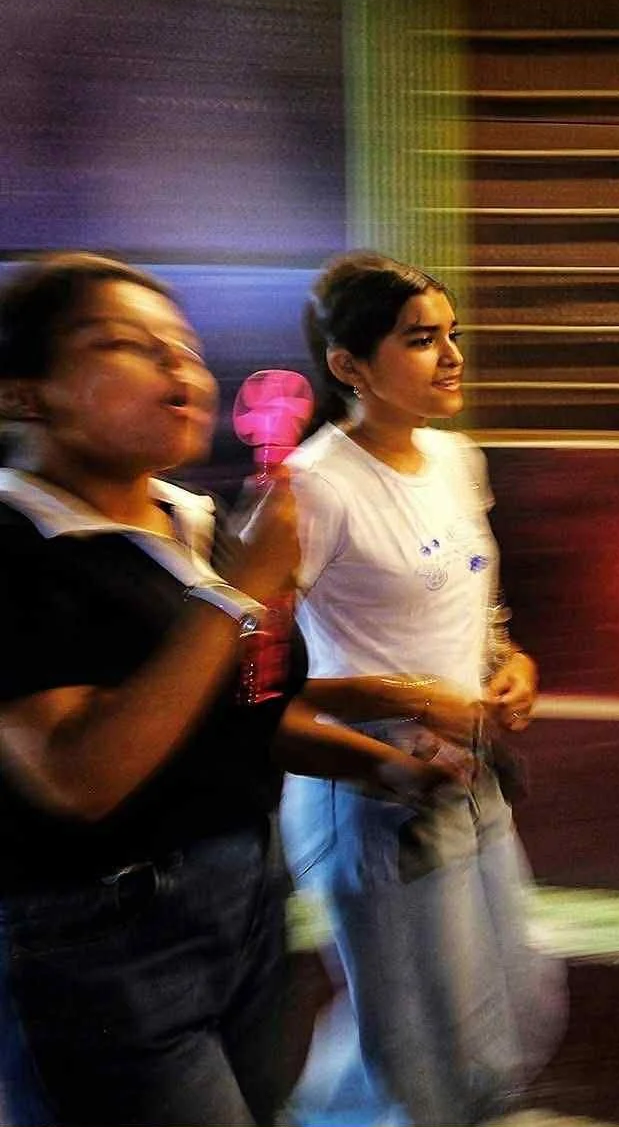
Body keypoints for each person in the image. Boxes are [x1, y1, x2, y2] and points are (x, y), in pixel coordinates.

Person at [0, 252, 454, 1126]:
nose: (179, 367)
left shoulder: (194, 521)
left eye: (186, 347)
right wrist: (238, 590)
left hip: (247, 903)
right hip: (103, 942)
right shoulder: (19, 543)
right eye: (126, 346)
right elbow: (78, 775)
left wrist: (386, 763)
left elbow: (243, 719)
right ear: (27, 393)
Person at [281, 251, 564, 1127]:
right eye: (421, 339)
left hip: (464, 779)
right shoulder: (311, 491)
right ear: (349, 366)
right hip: (371, 794)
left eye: (452, 334)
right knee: (428, 1056)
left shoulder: (455, 459)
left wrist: (509, 664)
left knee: (518, 1011)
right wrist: (401, 694)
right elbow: (251, 681)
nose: (452, 356)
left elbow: (471, 605)